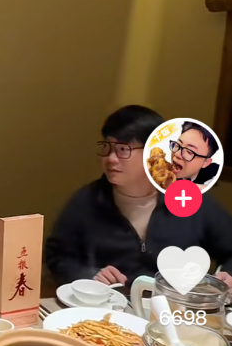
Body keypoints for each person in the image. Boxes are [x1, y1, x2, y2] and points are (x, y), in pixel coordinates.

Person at [44, 105, 232, 289]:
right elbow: (56, 255)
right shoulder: (88, 200)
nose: (111, 159)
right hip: (111, 305)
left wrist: (228, 275)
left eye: (123, 149)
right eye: (107, 147)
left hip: (175, 306)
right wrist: (89, 276)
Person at [169, 120, 220, 188]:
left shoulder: (214, 173)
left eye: (189, 151)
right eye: (177, 145)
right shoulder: (163, 172)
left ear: (205, 162)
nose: (177, 154)